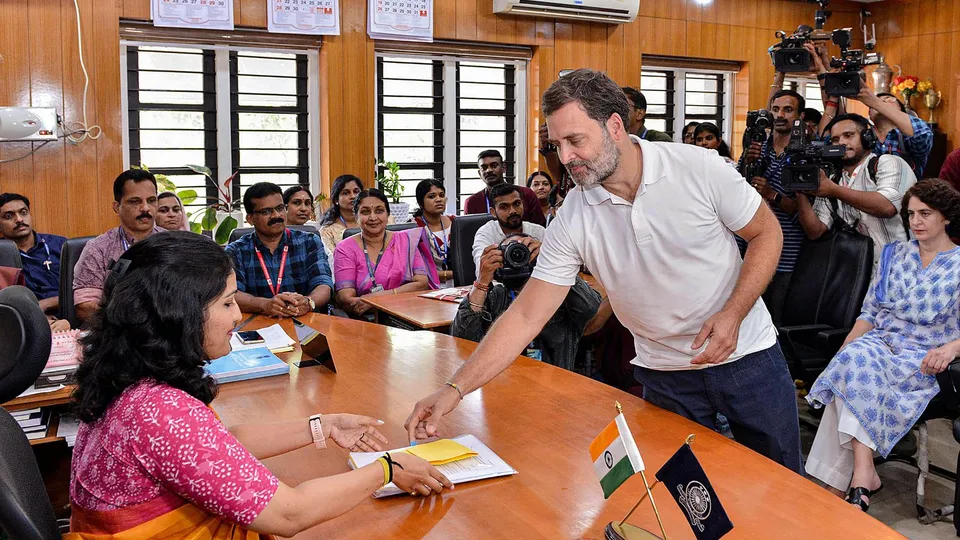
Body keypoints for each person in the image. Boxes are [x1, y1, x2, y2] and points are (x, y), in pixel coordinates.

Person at [405, 69, 802, 475]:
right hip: (664, 376)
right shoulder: (574, 214)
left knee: (785, 490)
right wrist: (455, 389)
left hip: (748, 359)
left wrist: (733, 313)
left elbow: (766, 233)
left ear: (615, 126)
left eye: (575, 140)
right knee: (690, 504)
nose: (565, 157)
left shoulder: (699, 168)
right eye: (557, 144)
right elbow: (526, 315)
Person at [67, 231, 451, 538]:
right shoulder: (159, 410)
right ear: (178, 314)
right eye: (227, 303)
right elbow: (289, 514)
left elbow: (217, 443)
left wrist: (322, 425)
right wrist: (386, 468)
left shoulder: (127, 372)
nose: (238, 316)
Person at [805, 179, 960, 512]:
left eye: (925, 213)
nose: (915, 221)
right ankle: (862, 474)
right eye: (910, 214)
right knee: (853, 360)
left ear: (946, 217)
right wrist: (847, 346)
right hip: (881, 343)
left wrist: (952, 349)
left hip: (925, 357)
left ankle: (837, 481)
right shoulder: (893, 254)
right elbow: (871, 310)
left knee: (856, 370)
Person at [453, 234, 601, 372]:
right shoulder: (495, 297)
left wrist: (553, 262)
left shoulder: (559, 297)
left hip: (553, 387)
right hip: (500, 388)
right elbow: (464, 342)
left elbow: (591, 309)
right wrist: (482, 281)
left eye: (524, 252)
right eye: (508, 253)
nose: (516, 257)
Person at [796, 114, 917, 265]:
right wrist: (799, 188)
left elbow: (887, 207)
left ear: (867, 137)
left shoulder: (888, 163)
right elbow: (815, 231)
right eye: (835, 139)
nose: (842, 142)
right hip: (856, 274)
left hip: (899, 268)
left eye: (848, 135)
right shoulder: (833, 180)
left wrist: (833, 190)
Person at [738, 89, 808, 326]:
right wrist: (747, 163)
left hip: (784, 250)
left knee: (774, 320)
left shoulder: (803, 155)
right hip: (747, 244)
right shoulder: (758, 146)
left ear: (799, 116)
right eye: (776, 109)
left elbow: (804, 212)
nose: (780, 115)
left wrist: (772, 194)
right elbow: (736, 191)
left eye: (788, 110)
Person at [225, 182, 332, 318]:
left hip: (304, 320)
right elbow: (231, 293)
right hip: (258, 324)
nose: (276, 215)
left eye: (280, 208)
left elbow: (323, 283)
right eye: (266, 211)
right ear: (250, 219)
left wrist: (308, 302)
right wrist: (265, 305)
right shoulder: (236, 250)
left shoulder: (309, 242)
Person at [73, 169, 164, 323]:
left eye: (151, 200)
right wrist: (133, 319)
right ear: (117, 207)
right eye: (135, 201)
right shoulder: (98, 249)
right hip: (118, 332)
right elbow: (85, 307)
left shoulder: (172, 245)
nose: (145, 209)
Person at [334, 189, 431, 318]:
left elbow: (422, 283)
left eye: (379, 211)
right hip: (365, 320)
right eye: (365, 212)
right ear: (356, 217)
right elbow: (346, 298)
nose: (373, 217)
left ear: (388, 215)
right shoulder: (345, 248)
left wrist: (376, 299)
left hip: (408, 315)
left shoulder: (405, 241)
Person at [0, 193, 65, 313]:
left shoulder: (61, 245)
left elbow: (83, 290)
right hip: (21, 321)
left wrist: (46, 304)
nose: (19, 219)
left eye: (23, 212)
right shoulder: (2, 254)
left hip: (68, 316)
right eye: (8, 216)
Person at [472, 183, 547, 276]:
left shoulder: (539, 232)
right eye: (504, 207)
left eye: (517, 204)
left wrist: (545, 253)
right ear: (493, 212)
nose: (513, 211)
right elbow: (481, 272)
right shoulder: (486, 233)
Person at [462, 150, 546, 226]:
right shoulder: (472, 202)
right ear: (479, 173)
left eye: (494, 165)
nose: (489, 170)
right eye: (484, 168)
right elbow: (469, 235)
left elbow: (540, 228)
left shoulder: (526, 194)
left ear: (504, 168)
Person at [412, 179, 455, 288]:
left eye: (441, 195)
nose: (438, 200)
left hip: (460, 285)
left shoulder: (456, 222)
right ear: (420, 202)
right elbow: (414, 270)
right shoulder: (413, 228)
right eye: (432, 196)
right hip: (428, 287)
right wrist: (451, 274)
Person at [318, 175, 364, 257]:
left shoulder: (372, 222)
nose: (353, 196)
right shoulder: (327, 231)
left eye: (356, 192)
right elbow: (332, 260)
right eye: (346, 193)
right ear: (336, 200)